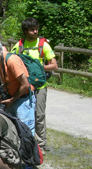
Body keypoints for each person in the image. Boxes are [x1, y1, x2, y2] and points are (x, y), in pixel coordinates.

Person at [0, 37, 37, 169]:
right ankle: (17, 166)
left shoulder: (11, 61)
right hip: (13, 99)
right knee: (13, 133)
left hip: (23, 100)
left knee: (26, 133)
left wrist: (12, 100)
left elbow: (25, 85)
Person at [11, 17, 58, 154]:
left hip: (40, 85)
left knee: (39, 115)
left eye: (36, 29)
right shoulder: (19, 45)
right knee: (24, 114)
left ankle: (41, 145)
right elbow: (11, 60)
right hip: (25, 86)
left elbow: (54, 65)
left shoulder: (44, 45)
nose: (35, 32)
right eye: (32, 30)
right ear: (25, 31)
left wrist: (38, 67)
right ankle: (25, 142)